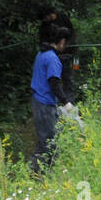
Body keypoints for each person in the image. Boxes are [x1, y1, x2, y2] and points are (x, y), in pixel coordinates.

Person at [29, 27, 75, 171]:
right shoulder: (52, 59)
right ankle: (44, 174)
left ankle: (34, 170)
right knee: (50, 142)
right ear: (62, 41)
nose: (65, 47)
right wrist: (65, 102)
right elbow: (54, 82)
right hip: (44, 104)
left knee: (44, 139)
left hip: (37, 100)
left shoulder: (41, 54)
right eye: (65, 44)